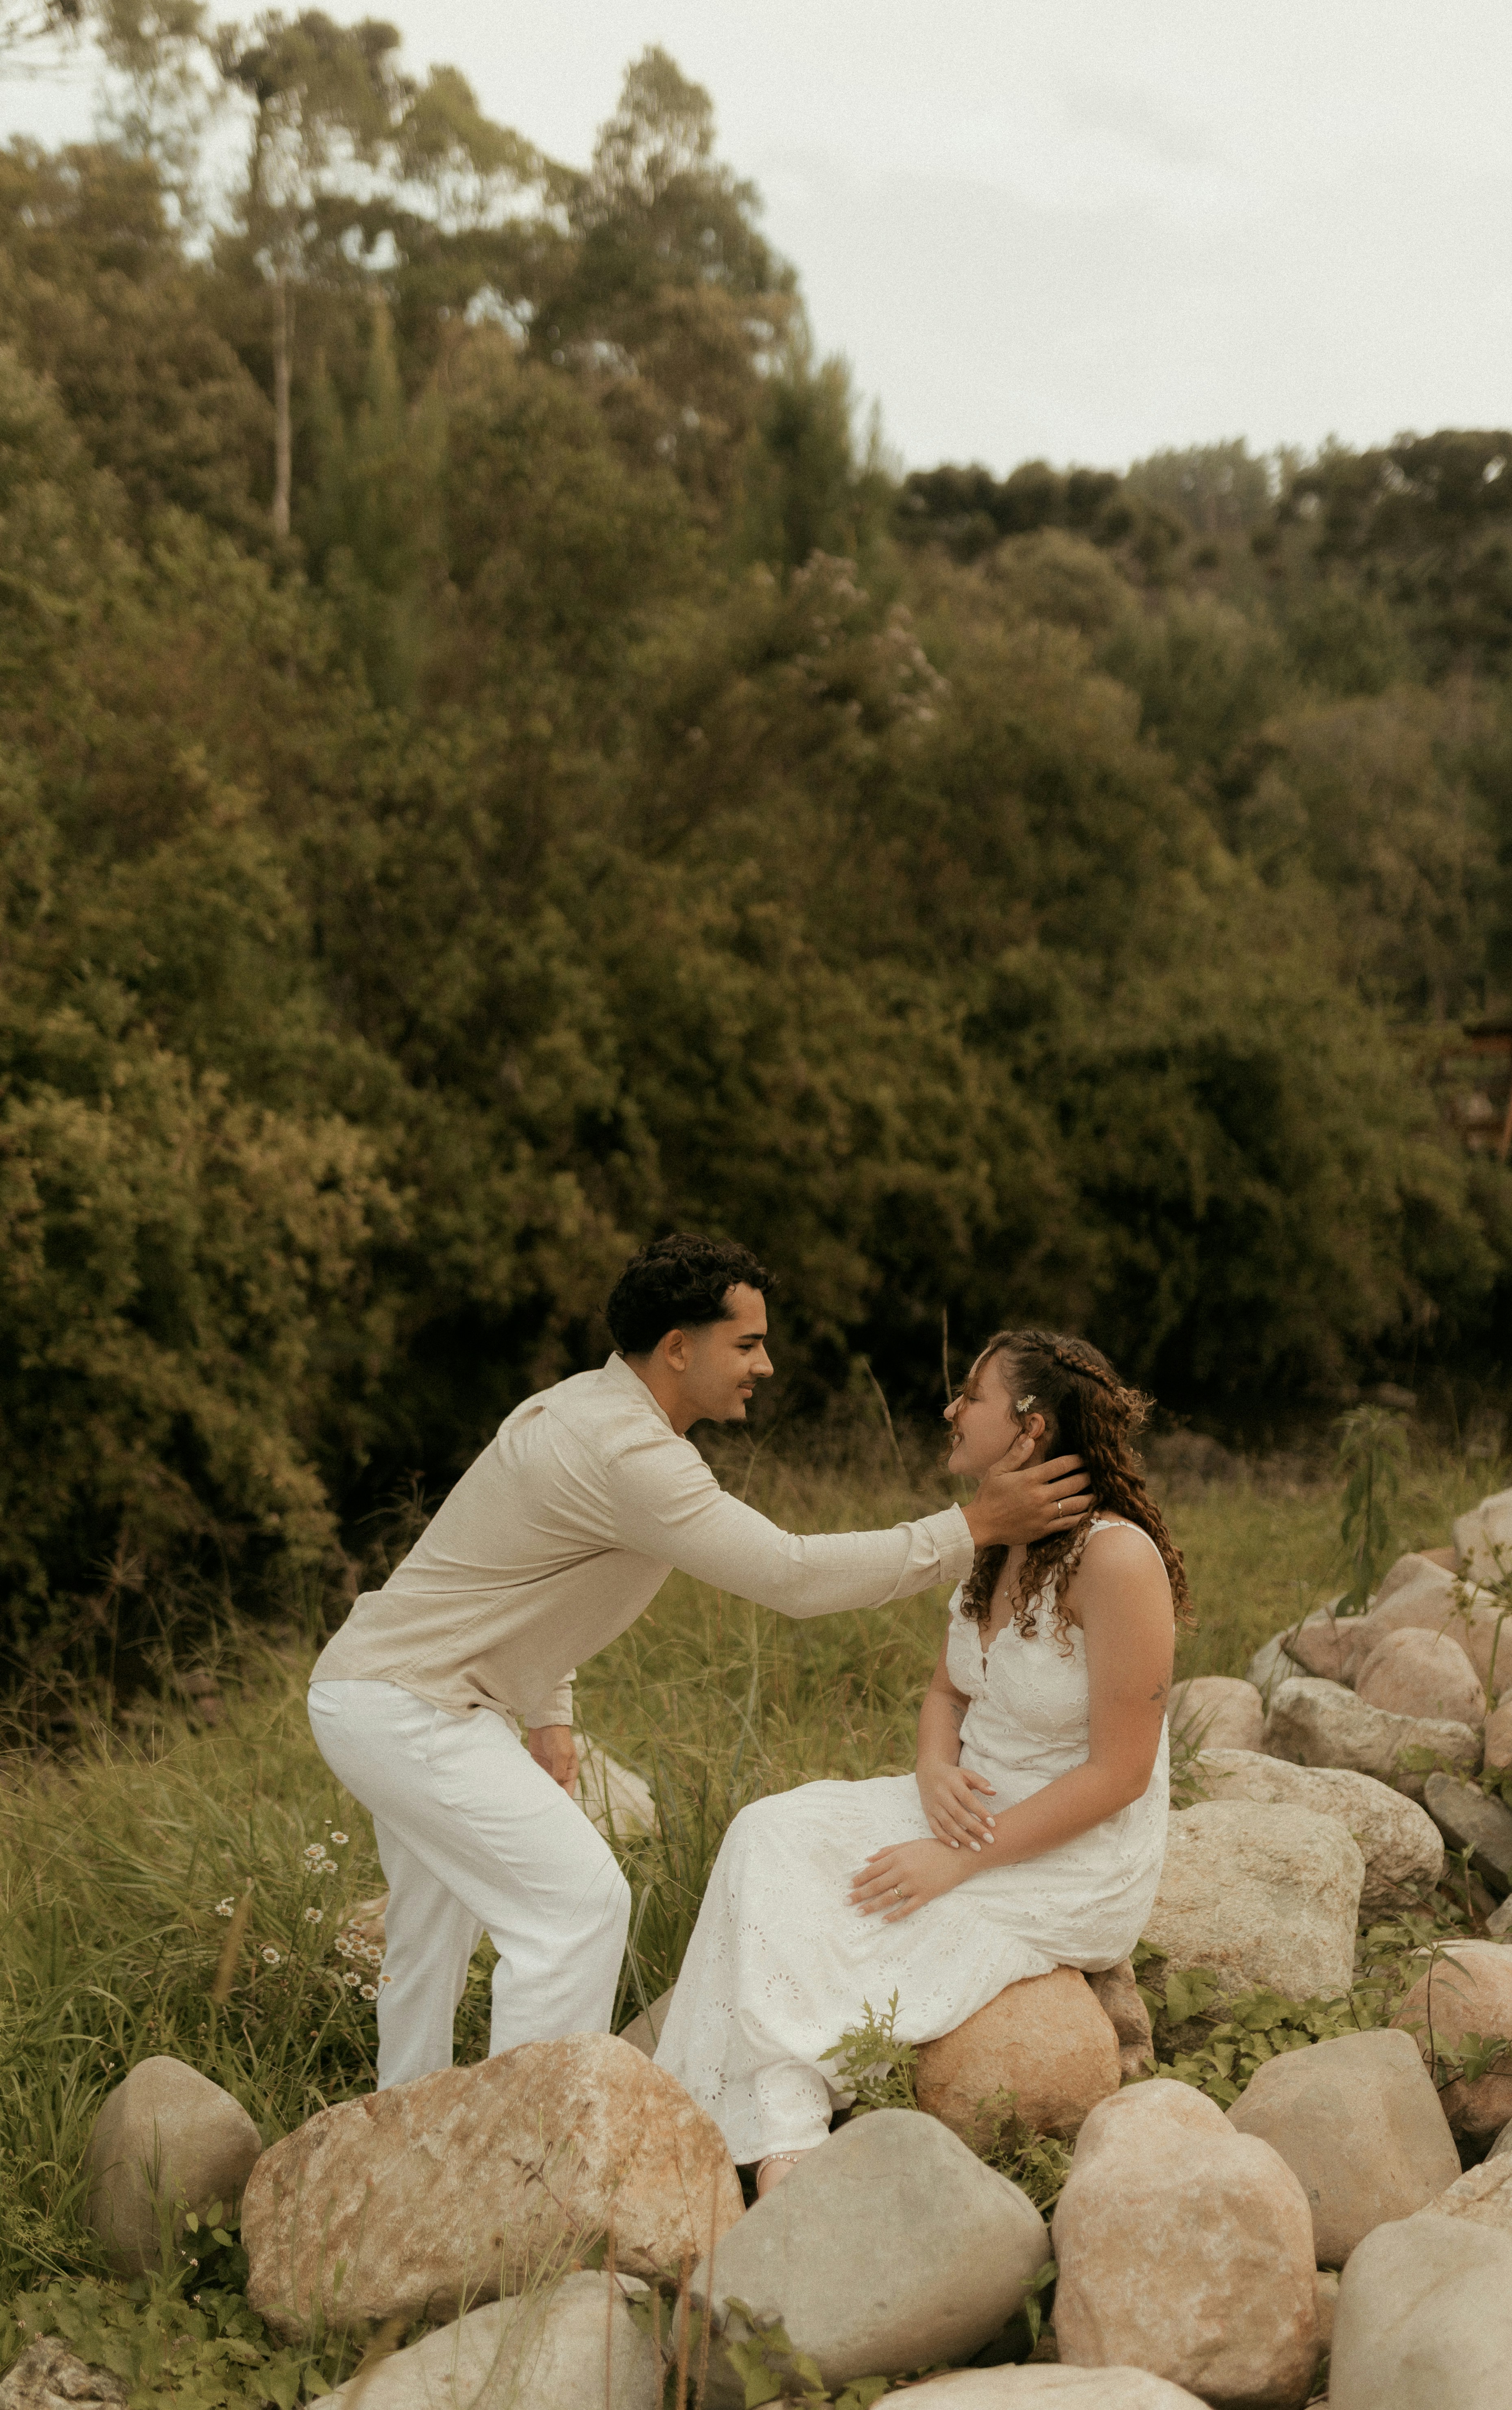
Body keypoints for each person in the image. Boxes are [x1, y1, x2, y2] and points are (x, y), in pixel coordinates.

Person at [306, 1239, 1093, 2087]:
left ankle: (399, 2116)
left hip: (389, 1690)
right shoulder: (628, 1452)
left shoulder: (584, 1407)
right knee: (576, 1907)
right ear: (679, 1347)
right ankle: (534, 2142)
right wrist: (970, 1527)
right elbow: (789, 1574)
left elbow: (516, 1565)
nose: (765, 1363)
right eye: (746, 1343)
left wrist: (550, 1714)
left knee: (433, 1930)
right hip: (407, 1703)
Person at [654, 1328, 1185, 2193]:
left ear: (1029, 1426)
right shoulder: (998, 1541)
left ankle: (780, 2142)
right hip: (963, 1805)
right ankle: (762, 2119)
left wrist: (952, 1859)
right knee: (771, 1830)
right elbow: (946, 1693)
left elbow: (1119, 1773)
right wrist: (934, 1772)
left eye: (969, 1394)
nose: (949, 1408)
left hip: (1068, 1847)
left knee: (861, 1918)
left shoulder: (1115, 1558)